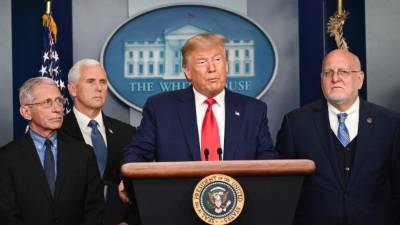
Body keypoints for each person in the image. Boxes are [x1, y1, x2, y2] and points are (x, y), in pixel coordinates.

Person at [276, 49, 400, 225]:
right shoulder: (296, 123)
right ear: (321, 80)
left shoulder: (390, 124)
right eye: (328, 73)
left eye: (343, 72)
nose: (335, 79)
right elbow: (283, 189)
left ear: (360, 79)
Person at [122, 33, 277, 162]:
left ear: (227, 65)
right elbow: (138, 153)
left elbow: (268, 159)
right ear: (188, 71)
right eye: (202, 62)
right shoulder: (161, 108)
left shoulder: (253, 110)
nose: (212, 68)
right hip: (178, 197)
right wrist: (128, 178)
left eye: (217, 60)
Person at [0, 77, 104, 225]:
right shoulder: (6, 158)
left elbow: (94, 210)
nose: (57, 109)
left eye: (59, 101)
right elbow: (6, 215)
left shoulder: (84, 154)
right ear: (26, 112)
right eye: (47, 102)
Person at [59, 59, 138, 225]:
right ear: (72, 89)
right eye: (90, 81)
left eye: (103, 82)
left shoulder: (127, 133)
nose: (99, 88)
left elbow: (137, 188)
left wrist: (130, 221)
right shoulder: (56, 133)